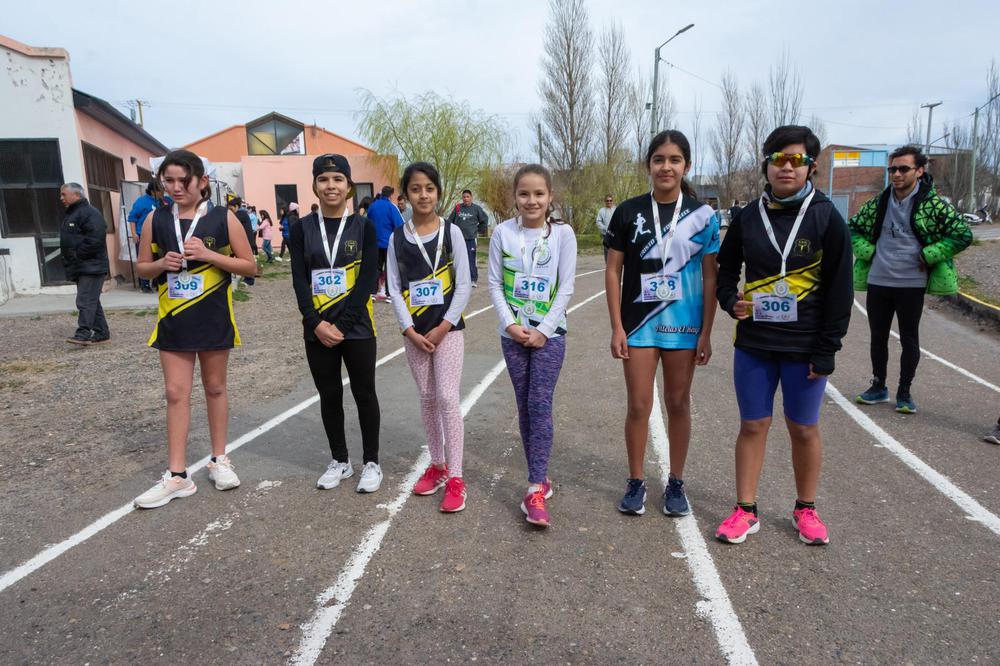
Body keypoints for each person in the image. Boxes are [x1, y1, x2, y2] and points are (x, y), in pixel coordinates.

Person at [715, 125, 853, 546]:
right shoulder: (747, 217)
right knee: (752, 425)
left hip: (804, 346)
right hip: (755, 344)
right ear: (766, 165)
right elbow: (725, 269)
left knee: (804, 429)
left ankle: (805, 509)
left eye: (796, 160)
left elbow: (841, 290)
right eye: (778, 159)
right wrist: (730, 301)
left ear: (811, 167)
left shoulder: (826, 217)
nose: (786, 167)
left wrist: (827, 349)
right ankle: (745, 510)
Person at [604, 130, 720, 517]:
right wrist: (617, 326)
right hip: (639, 325)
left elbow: (710, 276)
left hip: (684, 326)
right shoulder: (628, 211)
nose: (666, 167)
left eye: (674, 160)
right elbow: (613, 270)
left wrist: (706, 331)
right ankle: (636, 481)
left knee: (678, 403)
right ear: (648, 165)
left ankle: (676, 483)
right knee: (639, 405)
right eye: (658, 159)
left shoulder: (703, 217)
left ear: (687, 165)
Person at [132, 150, 257, 509]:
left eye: (183, 181)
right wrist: (160, 263)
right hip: (173, 320)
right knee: (175, 393)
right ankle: (177, 475)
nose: (175, 187)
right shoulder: (155, 218)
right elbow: (142, 268)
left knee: (215, 388)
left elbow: (250, 266)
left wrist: (209, 255)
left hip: (214, 317)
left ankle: (220, 460)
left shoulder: (223, 217)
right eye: (168, 181)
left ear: (202, 181)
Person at [850, 145, 973, 414]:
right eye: (892, 169)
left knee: (909, 339)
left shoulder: (934, 205)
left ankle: (904, 392)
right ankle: (878, 386)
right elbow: (852, 229)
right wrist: (867, 250)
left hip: (911, 283)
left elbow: (963, 235)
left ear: (919, 171)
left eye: (903, 169)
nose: (896, 174)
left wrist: (930, 254)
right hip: (879, 280)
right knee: (878, 337)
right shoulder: (879, 203)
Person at [488, 164, 577, 527]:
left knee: (540, 404)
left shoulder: (563, 234)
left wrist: (544, 329)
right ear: (515, 196)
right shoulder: (502, 233)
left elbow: (566, 287)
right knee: (525, 407)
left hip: (549, 336)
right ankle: (539, 476)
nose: (531, 200)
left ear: (550, 196)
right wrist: (510, 325)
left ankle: (535, 487)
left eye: (539, 193)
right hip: (513, 335)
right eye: (524, 193)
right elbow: (495, 284)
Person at [289, 154, 382, 493]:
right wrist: (315, 323)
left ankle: (371, 462)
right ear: (315, 185)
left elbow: (368, 279)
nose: (331, 186)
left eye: (338, 179)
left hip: (357, 328)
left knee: (364, 393)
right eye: (324, 179)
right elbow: (299, 281)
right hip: (317, 330)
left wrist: (342, 325)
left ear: (349, 186)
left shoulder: (364, 227)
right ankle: (340, 461)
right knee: (329, 395)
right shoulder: (301, 228)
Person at [387, 162, 472, 512]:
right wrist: (409, 330)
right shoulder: (397, 238)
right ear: (405, 195)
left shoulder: (452, 233)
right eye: (415, 189)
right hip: (415, 335)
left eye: (429, 188)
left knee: (447, 399)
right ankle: (437, 465)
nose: (423, 195)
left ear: (438, 192)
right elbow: (393, 289)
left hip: (447, 331)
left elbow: (464, 284)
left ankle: (456, 477)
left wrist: (443, 326)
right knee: (426, 398)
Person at [59, 183, 111, 345]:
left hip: (91, 266)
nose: (61, 198)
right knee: (92, 300)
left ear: (76, 195)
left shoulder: (89, 213)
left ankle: (83, 333)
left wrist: (78, 255)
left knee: (85, 300)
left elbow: (95, 238)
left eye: (64, 194)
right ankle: (101, 333)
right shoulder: (73, 214)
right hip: (82, 266)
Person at [127, 180, 169, 292]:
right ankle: (144, 284)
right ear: (153, 191)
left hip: (160, 236)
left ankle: (157, 282)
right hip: (143, 236)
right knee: (144, 260)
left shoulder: (165, 200)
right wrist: (134, 233)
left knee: (158, 257)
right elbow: (132, 218)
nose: (163, 193)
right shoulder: (141, 202)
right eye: (160, 191)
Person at [368, 185, 405, 301]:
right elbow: (399, 225)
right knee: (390, 268)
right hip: (388, 243)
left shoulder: (372, 206)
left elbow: (368, 222)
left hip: (374, 242)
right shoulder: (391, 207)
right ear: (390, 195)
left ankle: (372, 292)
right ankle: (389, 294)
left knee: (375, 267)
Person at [448, 189, 490, 288]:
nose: (465, 199)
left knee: (471, 260)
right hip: (458, 240)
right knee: (458, 260)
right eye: (464, 197)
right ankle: (459, 279)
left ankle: (473, 279)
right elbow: (450, 221)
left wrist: (478, 230)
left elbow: (485, 219)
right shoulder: (458, 208)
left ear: (471, 198)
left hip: (471, 239)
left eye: (467, 197)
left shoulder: (476, 209)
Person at [228, 197, 256, 285]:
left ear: (236, 206)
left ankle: (249, 279)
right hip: (245, 241)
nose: (230, 211)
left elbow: (227, 220)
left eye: (231, 209)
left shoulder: (241, 214)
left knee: (246, 261)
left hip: (246, 241)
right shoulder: (242, 214)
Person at [596, 193, 615, 261]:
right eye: (607, 200)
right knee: (607, 252)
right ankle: (608, 265)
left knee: (616, 252)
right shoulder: (601, 211)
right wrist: (605, 228)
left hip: (616, 235)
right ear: (605, 201)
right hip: (606, 235)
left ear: (612, 201)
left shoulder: (616, 209)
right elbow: (598, 222)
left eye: (610, 200)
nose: (609, 202)